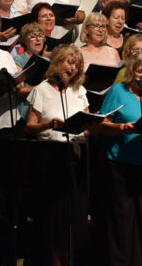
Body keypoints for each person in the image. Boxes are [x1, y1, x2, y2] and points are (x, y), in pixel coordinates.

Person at [98, 52, 142, 266]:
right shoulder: (118, 91)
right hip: (121, 163)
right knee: (122, 220)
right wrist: (121, 127)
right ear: (131, 71)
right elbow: (102, 124)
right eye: (140, 71)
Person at [24, 44, 91, 266]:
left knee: (73, 216)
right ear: (58, 63)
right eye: (69, 62)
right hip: (50, 156)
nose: (72, 68)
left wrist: (92, 126)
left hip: (75, 155)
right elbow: (29, 127)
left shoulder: (79, 90)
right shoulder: (42, 89)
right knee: (55, 218)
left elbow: (87, 124)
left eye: (76, 65)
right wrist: (48, 124)